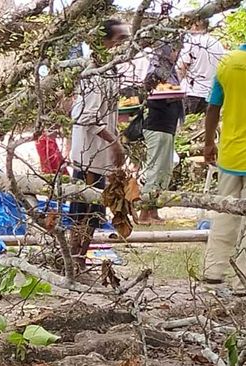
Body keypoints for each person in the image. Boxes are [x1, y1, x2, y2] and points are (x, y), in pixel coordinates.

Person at [68, 19, 130, 271]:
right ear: (103, 43)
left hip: (99, 154)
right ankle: (73, 259)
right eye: (120, 40)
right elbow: (85, 116)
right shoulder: (96, 74)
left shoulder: (110, 71)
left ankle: (79, 259)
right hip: (89, 154)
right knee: (84, 209)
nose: (125, 46)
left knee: (94, 209)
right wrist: (114, 142)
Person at [202, 17, 246, 294]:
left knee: (224, 213)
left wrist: (209, 142)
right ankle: (245, 280)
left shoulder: (227, 62)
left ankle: (214, 271)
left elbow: (213, 108)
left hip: (231, 152)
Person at [138, 41, 184, 224]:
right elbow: (151, 92)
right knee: (155, 169)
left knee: (164, 170)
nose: (176, 53)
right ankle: (143, 212)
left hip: (167, 127)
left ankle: (154, 210)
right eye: (173, 49)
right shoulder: (155, 72)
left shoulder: (171, 73)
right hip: (157, 126)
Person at [177, 19, 226, 115]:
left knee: (185, 127)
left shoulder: (192, 43)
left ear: (196, 25)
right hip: (210, 93)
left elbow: (182, 67)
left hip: (191, 92)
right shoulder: (218, 44)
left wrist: (175, 87)